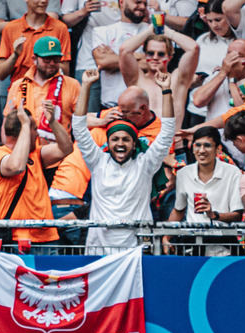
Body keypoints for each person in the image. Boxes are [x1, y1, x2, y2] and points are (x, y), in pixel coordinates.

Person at [73, 68, 176, 254]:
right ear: (108, 142)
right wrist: (87, 85)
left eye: (126, 139)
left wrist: (166, 91)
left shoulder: (145, 164)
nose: (120, 144)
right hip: (99, 248)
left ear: (134, 142)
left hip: (136, 250)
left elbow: (168, 131)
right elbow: (79, 128)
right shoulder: (98, 161)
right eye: (115, 139)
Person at [0, 101, 72, 248]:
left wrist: (52, 121)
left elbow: (66, 149)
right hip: (17, 239)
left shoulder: (36, 154)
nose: (38, 133)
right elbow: (16, 166)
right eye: (34, 129)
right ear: (23, 132)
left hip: (48, 238)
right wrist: (26, 125)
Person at [166, 126, 244, 255]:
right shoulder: (184, 173)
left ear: (218, 149)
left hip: (223, 246)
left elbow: (237, 214)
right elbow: (178, 210)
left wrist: (214, 215)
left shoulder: (232, 172)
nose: (201, 151)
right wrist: (166, 236)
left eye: (207, 146)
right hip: (192, 245)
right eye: (198, 145)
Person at [3, 36, 79, 141]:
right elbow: (7, 122)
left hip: (59, 150)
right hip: (26, 149)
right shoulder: (18, 85)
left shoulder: (73, 85)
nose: (52, 63)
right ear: (34, 59)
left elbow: (81, 121)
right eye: (47, 59)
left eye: (56, 59)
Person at [117, 23, 200, 119]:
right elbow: (124, 51)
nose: (155, 58)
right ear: (145, 55)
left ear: (169, 57)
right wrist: (148, 32)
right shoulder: (137, 80)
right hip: (144, 133)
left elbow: (193, 48)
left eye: (161, 54)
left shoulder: (178, 79)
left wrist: (169, 33)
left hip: (172, 133)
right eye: (151, 53)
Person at [0, 0, 70, 84]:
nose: (43, 1)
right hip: (21, 91)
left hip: (50, 91)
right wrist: (15, 55)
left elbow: (65, 71)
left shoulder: (60, 28)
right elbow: (1, 74)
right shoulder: (11, 28)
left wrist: (47, 60)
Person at [91, 0, 147, 110]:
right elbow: (103, 62)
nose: (142, 7)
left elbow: (151, 63)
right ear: (121, 2)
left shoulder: (151, 30)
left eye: (145, 4)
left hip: (143, 105)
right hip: (111, 105)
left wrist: (115, 57)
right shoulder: (102, 31)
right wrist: (137, 56)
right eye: (138, 2)